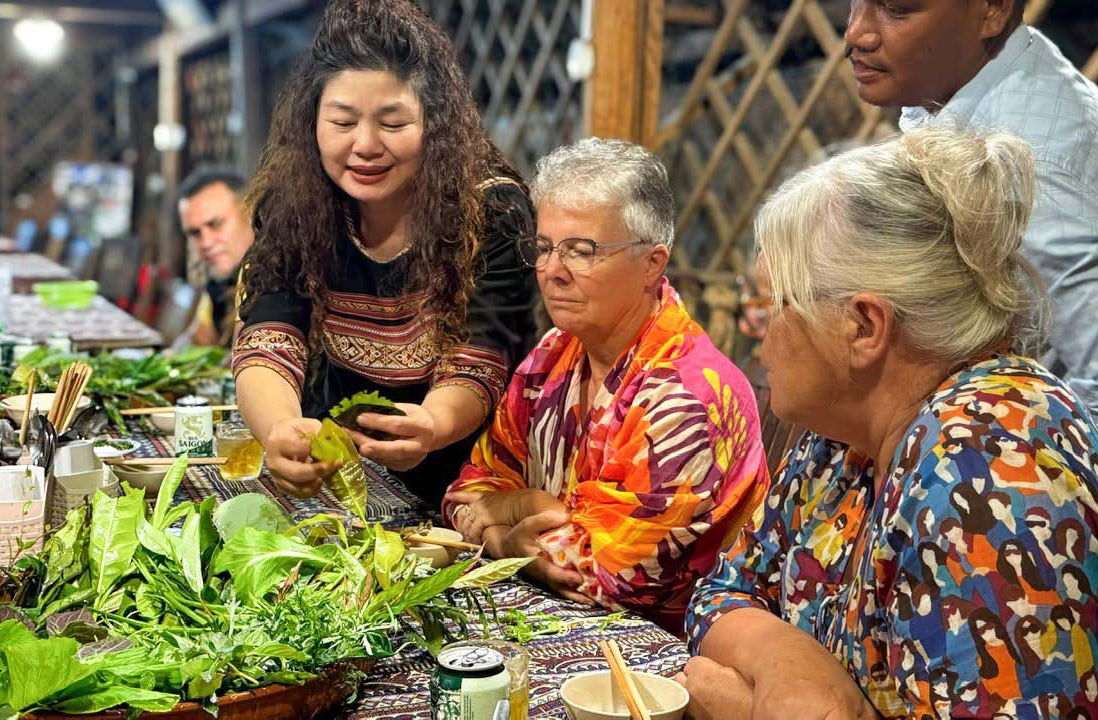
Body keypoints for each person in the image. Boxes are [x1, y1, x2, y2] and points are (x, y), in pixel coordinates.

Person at [680, 128, 1098, 719]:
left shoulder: (990, 471)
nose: (762, 334)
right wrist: (784, 660)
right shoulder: (844, 440)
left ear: (864, 327)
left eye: (781, 305)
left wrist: (747, 707)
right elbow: (725, 591)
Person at [443, 139, 769, 633]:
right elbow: (467, 491)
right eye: (545, 248)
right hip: (553, 624)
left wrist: (503, 529)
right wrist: (522, 516)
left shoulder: (686, 397)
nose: (553, 272)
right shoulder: (552, 356)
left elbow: (604, 576)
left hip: (670, 659)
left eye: (580, 251)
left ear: (652, 264)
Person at [232, 0, 535, 506]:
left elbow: (483, 353)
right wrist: (281, 430)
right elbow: (269, 332)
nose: (366, 145)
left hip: (467, 484)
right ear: (313, 123)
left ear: (434, 124)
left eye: (393, 123)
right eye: (343, 122)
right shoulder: (293, 204)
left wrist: (435, 424)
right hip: (337, 476)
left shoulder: (492, 209)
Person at [845, 0, 1098, 483]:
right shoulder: (965, 89)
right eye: (853, 3)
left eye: (897, 9)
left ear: (992, 10)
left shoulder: (1035, 172)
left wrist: (955, 493)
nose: (856, 33)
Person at [173, 167, 254, 349]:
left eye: (215, 224)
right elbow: (195, 340)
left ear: (250, 214)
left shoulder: (282, 281)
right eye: (195, 233)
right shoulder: (220, 285)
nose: (206, 242)